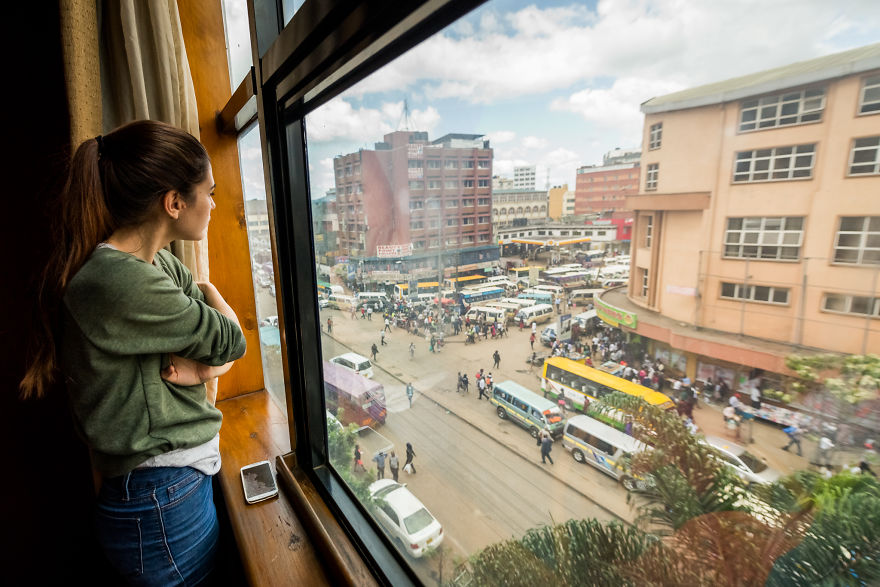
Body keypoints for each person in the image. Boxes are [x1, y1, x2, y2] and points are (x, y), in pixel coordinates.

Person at [19, 121, 248, 584]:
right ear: (174, 202)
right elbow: (231, 340)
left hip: (167, 492)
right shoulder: (121, 281)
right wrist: (209, 305)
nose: (215, 203)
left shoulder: (155, 261)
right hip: (160, 498)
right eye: (209, 191)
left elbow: (218, 344)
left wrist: (202, 369)